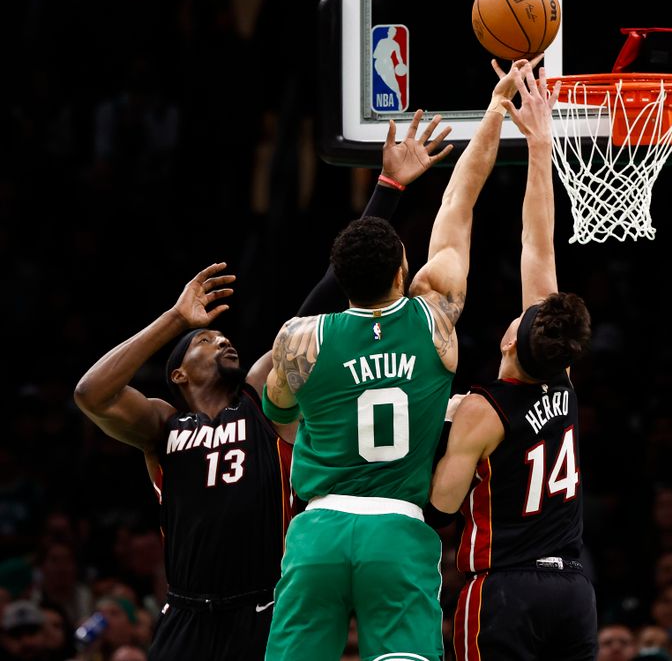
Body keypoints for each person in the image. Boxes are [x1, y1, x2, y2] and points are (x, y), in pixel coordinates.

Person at [72, 111, 453, 661]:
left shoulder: (257, 402)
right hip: (185, 611)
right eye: (206, 343)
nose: (221, 342)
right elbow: (91, 393)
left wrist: (388, 190)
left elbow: (319, 305)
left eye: (223, 337)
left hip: (263, 608)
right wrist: (178, 320)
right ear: (177, 374)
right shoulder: (163, 425)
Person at [263, 58, 530, 661]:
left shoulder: (300, 340)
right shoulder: (434, 317)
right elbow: (460, 203)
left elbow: (278, 412)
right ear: (405, 270)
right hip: (399, 529)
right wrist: (493, 110)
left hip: (318, 530)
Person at [427, 62, 596, 661]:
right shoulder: (563, 378)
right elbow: (538, 243)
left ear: (507, 341)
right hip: (573, 589)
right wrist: (542, 145)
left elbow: (439, 510)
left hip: (505, 588)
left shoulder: (482, 411)